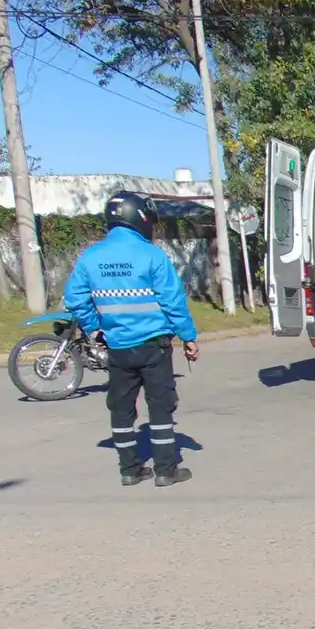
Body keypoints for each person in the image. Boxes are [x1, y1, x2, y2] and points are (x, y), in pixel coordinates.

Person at [64, 190, 198, 488]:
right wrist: (188, 337)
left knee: (121, 408)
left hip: (118, 346)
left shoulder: (91, 257)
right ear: (141, 218)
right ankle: (165, 470)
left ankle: (130, 470)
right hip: (153, 345)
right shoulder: (152, 256)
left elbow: (74, 298)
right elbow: (173, 301)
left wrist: (94, 328)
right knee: (160, 405)